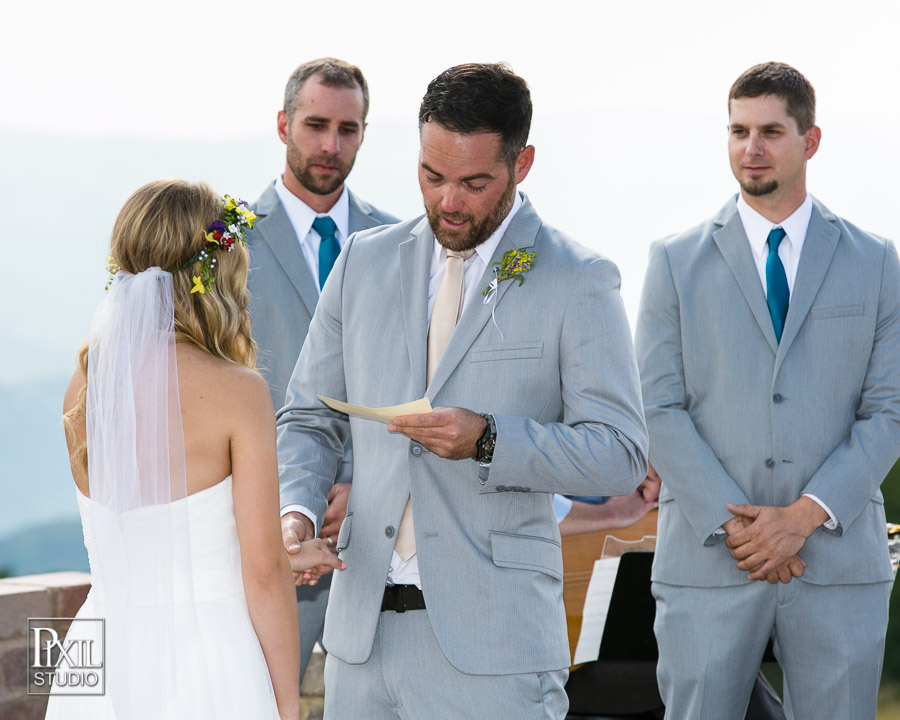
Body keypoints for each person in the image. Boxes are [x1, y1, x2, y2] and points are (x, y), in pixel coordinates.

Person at [276, 62, 648, 720]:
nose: (449, 201)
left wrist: (490, 439)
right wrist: (296, 515)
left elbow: (617, 453)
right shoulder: (363, 261)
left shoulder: (579, 278)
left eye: (475, 183)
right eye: (432, 176)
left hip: (496, 650)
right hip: (359, 645)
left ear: (522, 162)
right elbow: (308, 417)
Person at [635, 61, 900, 719]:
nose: (751, 148)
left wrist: (804, 516)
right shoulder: (673, 262)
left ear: (809, 142)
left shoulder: (877, 261)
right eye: (738, 130)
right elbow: (656, 408)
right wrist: (742, 529)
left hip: (836, 565)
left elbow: (890, 409)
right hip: (708, 562)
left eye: (771, 131)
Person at [49, 180, 341, 720]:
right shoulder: (237, 390)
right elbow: (260, 576)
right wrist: (284, 707)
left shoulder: (85, 386)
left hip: (102, 662)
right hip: (206, 660)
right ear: (215, 271)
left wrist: (286, 556)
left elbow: (149, 540)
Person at [245, 57, 399, 684]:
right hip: (261, 529)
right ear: (283, 124)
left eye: (348, 129)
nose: (331, 145)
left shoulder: (401, 243)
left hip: (381, 534)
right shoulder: (226, 245)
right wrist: (293, 503)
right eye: (315, 125)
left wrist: (364, 482)